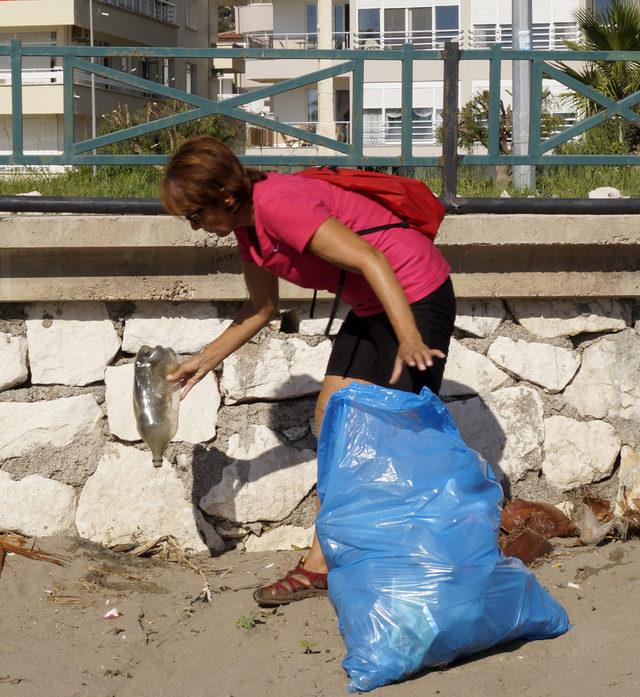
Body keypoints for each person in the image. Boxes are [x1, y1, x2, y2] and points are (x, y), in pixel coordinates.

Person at [160, 135, 456, 607]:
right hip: (373, 302)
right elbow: (262, 308)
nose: (195, 227)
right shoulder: (247, 229)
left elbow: (370, 257)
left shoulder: (280, 206)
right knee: (335, 418)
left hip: (413, 295)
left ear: (228, 197)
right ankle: (322, 566)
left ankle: (423, 560)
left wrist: (410, 338)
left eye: (196, 214)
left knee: (395, 433)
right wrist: (204, 359)